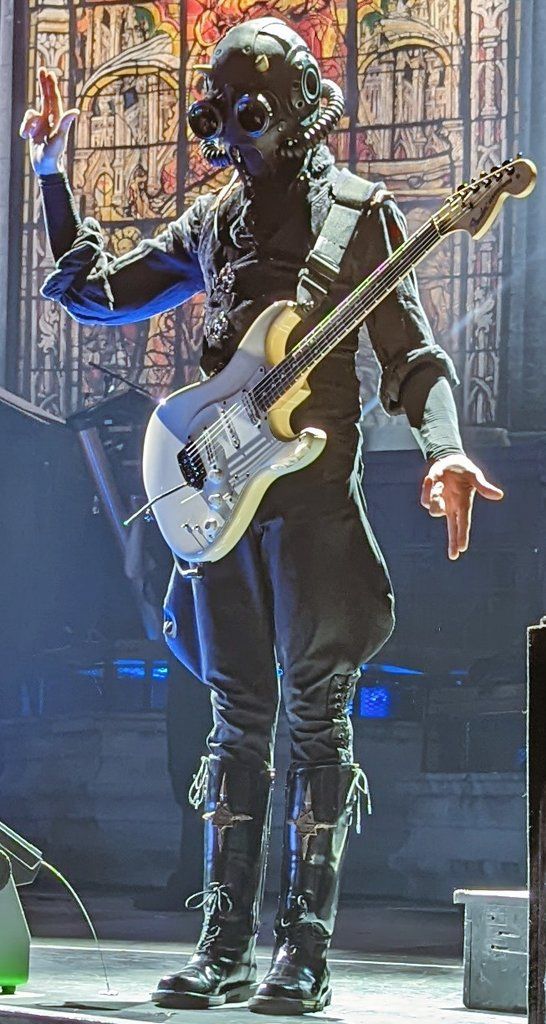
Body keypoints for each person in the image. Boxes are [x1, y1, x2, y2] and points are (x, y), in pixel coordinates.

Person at [21, 16, 503, 1015]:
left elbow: (409, 352)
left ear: (299, 109)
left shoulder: (361, 215)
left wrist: (446, 443)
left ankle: (305, 946)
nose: (240, 135)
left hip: (315, 502)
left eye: (257, 113)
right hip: (221, 502)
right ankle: (225, 939)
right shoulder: (213, 219)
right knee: (236, 720)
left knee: (318, 719)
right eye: (227, 116)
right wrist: (52, 173)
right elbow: (101, 293)